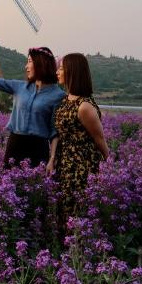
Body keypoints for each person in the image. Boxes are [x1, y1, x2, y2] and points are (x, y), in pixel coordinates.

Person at [48, 52, 110, 224]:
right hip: (63, 165)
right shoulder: (65, 100)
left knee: (76, 215)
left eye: (61, 69)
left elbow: (100, 140)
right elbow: (59, 134)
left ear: (72, 72)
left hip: (80, 168)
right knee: (61, 213)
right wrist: (53, 159)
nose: (57, 72)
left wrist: (110, 168)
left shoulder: (84, 106)